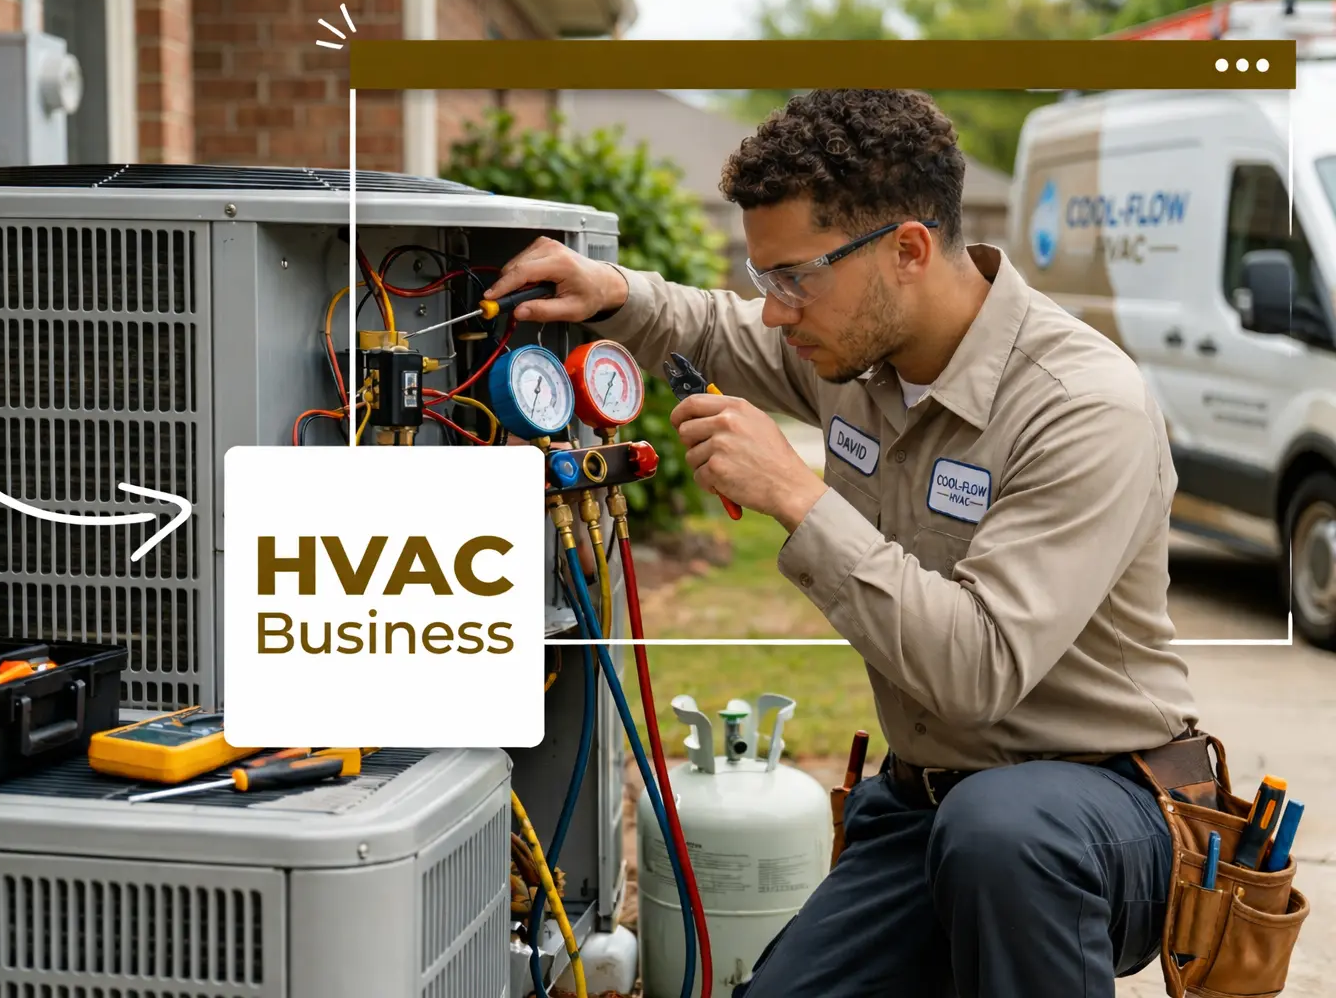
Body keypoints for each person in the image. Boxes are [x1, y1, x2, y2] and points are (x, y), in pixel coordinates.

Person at [486, 89, 1205, 997]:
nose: (776, 311)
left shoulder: (1079, 404)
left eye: (793, 277)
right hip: (928, 809)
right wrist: (617, 293)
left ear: (906, 250)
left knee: (1003, 833)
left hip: (1102, 809)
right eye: (765, 280)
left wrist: (797, 493)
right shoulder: (858, 352)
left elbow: (976, 672)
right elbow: (714, 326)